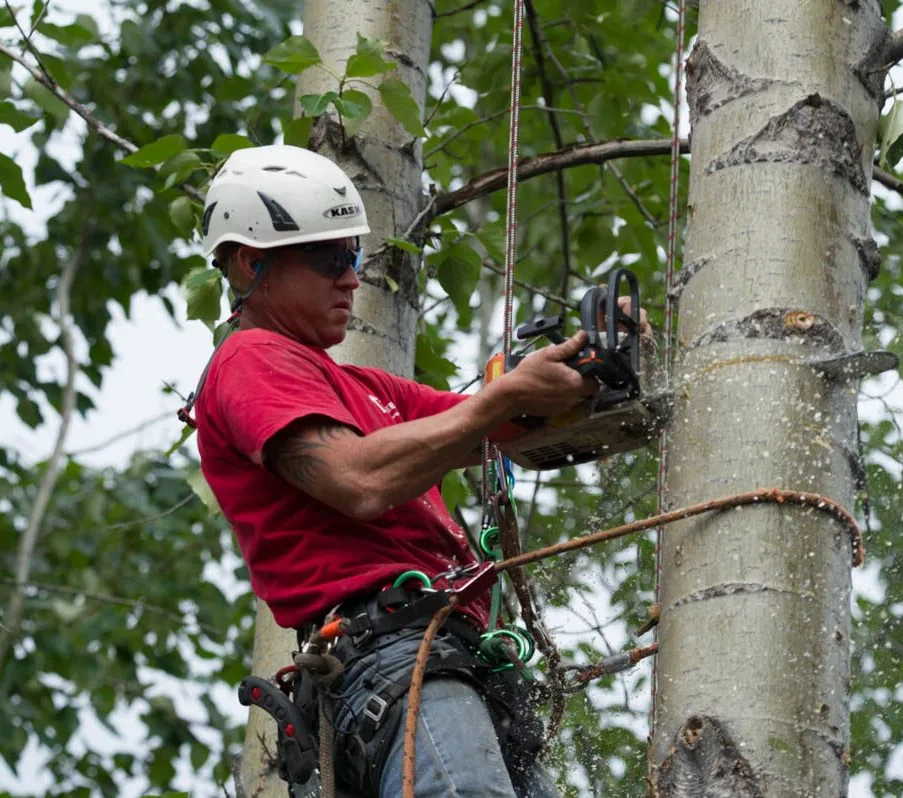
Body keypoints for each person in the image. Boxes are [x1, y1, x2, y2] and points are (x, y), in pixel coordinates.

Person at [192, 145, 642, 798]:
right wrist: (504, 397)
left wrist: (590, 378)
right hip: (392, 661)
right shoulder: (250, 360)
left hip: (453, 665)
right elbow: (358, 481)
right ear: (249, 262)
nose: (350, 277)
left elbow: (504, 430)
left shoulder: (367, 390)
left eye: (355, 256)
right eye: (329, 259)